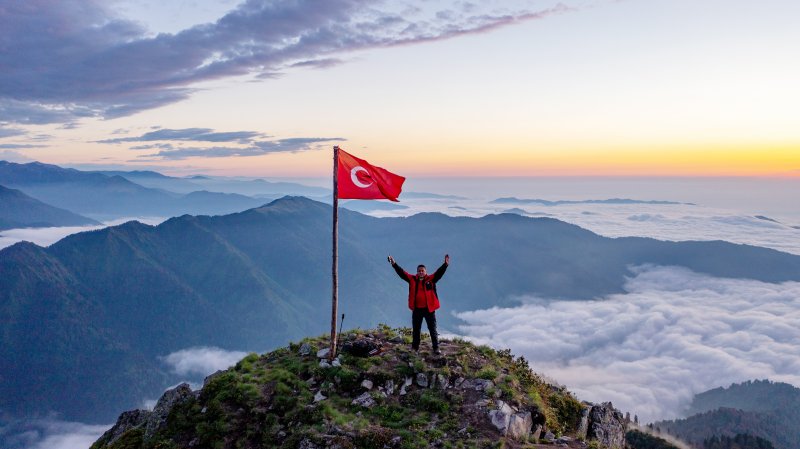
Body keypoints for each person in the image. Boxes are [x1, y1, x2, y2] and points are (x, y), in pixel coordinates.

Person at [387, 254, 449, 355]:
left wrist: (445, 265)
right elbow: (402, 273)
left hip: (429, 309)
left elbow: (439, 273)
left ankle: (436, 348)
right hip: (417, 309)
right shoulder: (412, 279)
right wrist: (394, 264)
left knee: (432, 329)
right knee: (416, 330)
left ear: (425, 272)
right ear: (417, 272)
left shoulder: (431, 279)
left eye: (422, 271)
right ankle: (415, 348)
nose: (421, 272)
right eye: (419, 271)